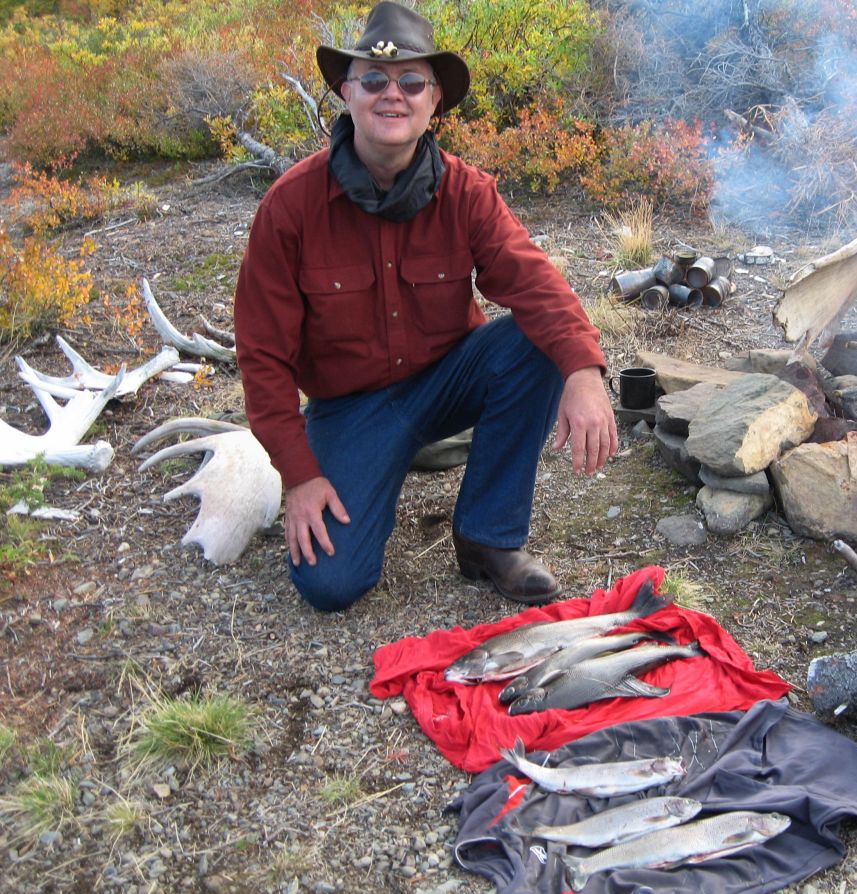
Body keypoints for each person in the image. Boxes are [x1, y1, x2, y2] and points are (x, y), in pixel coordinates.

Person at [233, 2, 617, 612]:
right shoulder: (290, 206)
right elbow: (262, 356)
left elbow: (536, 284)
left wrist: (584, 371)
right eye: (374, 80)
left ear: (434, 99)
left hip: (447, 381)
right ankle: (371, 464)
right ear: (346, 92)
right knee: (330, 584)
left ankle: (488, 537)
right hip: (350, 408)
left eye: (412, 82)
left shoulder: (468, 192)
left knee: (540, 341)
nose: (394, 94)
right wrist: (300, 475)